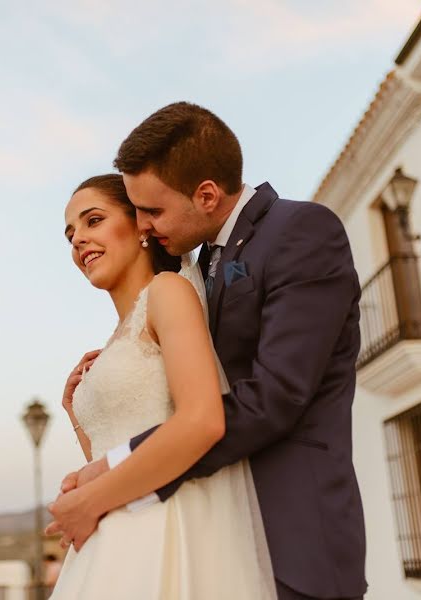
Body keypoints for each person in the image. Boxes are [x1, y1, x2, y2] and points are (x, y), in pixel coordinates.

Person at [48, 102, 367, 600]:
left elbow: (274, 397)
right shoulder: (195, 272)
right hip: (180, 528)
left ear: (206, 194)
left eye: (150, 211)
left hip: (288, 528)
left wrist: (107, 475)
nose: (146, 225)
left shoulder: (299, 232)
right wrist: (84, 415)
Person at [49, 173, 276, 599]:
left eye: (92, 220)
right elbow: (111, 455)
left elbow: (203, 421)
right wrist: (75, 413)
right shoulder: (114, 338)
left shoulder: (168, 293)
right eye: (70, 234)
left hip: (162, 530)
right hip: (110, 541)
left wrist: (89, 503)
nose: (78, 239)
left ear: (140, 227)